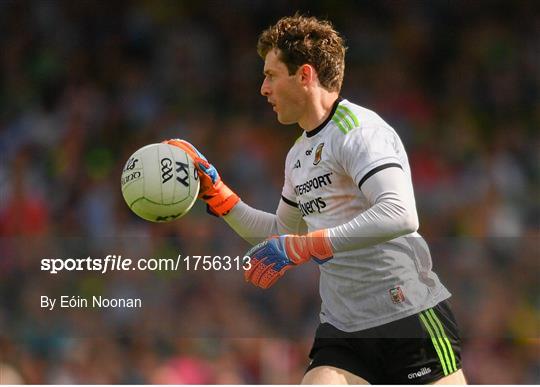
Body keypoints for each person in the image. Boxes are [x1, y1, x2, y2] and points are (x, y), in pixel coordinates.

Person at [166, 14, 467, 385]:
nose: (263, 88)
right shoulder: (298, 155)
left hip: (406, 316)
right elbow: (281, 232)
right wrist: (219, 195)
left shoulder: (359, 130)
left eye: (271, 75)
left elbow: (400, 214)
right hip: (344, 329)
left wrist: (306, 246)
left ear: (305, 75)